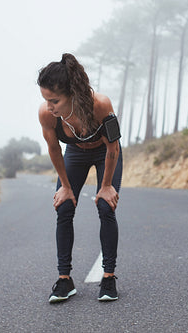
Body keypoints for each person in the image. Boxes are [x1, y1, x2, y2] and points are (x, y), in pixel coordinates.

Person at [37, 53, 122, 303]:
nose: (49, 107)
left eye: (54, 100)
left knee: (106, 206)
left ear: (72, 93)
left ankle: (108, 277)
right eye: (45, 100)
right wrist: (65, 186)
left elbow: (113, 148)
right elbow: (55, 150)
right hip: (74, 154)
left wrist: (105, 186)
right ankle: (65, 280)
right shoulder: (46, 115)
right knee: (63, 207)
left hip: (105, 153)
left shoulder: (101, 105)